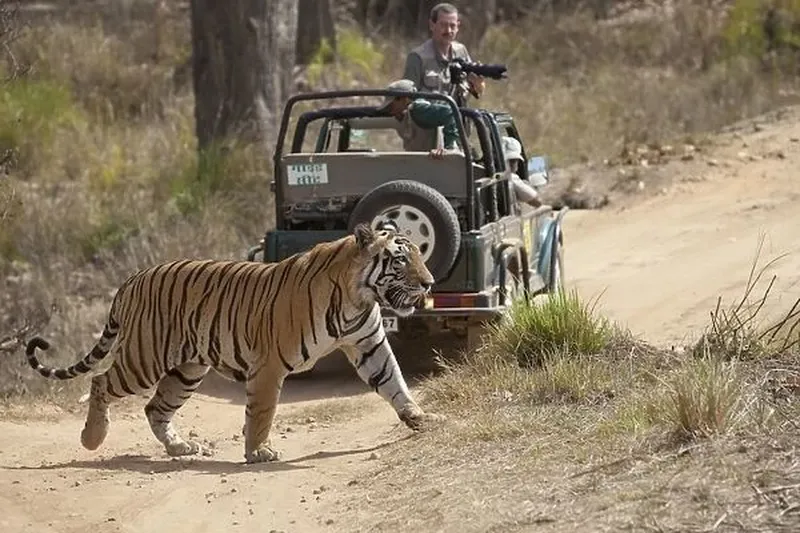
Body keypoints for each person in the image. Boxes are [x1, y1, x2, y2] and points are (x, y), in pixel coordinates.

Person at [401, 3, 485, 151]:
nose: (448, 31)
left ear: (458, 26)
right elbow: (407, 100)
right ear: (432, 25)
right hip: (425, 136)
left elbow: (475, 89)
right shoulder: (418, 57)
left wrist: (478, 84)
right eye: (443, 25)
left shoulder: (461, 52)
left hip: (457, 133)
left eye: (453, 26)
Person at [377, 79, 463, 159]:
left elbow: (449, 112)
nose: (390, 110)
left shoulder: (418, 110)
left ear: (404, 99)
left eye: (392, 105)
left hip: (436, 163)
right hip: (420, 164)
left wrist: (449, 148)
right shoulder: (402, 115)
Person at [501, 136, 547, 209]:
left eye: (515, 161)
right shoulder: (511, 178)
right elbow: (537, 201)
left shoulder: (482, 173)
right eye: (512, 160)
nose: (514, 164)